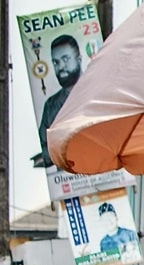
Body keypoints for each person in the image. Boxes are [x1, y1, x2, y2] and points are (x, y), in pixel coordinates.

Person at [31, 34, 84, 168]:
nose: (61, 67)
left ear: (79, 59)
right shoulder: (51, 106)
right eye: (56, 62)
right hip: (70, 181)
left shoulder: (99, 92)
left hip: (107, 177)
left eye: (65, 59)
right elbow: (45, 145)